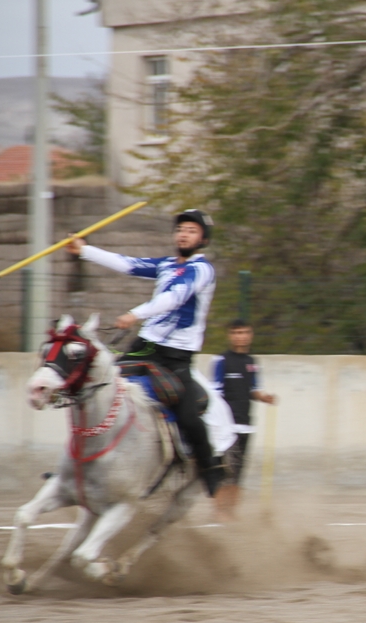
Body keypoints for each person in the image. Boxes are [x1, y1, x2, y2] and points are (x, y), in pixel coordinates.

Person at [66, 209, 224, 496]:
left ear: (203, 239)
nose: (184, 234)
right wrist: (84, 249)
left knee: (189, 418)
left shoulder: (202, 270)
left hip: (176, 357)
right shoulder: (166, 265)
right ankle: (82, 463)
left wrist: (134, 314)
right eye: (180, 229)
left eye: (191, 230)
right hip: (144, 348)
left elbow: (173, 298)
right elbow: (127, 264)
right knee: (98, 389)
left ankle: (211, 471)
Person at [209, 318, 277, 519]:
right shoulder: (220, 361)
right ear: (230, 335)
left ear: (251, 335)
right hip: (226, 427)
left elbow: (253, 390)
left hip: (245, 425)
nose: (241, 336)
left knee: (238, 473)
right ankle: (219, 512)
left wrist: (264, 397)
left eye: (245, 332)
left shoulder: (251, 363)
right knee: (224, 471)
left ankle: (230, 512)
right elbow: (215, 393)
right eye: (236, 332)